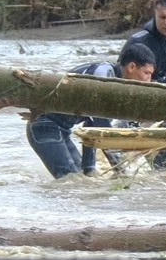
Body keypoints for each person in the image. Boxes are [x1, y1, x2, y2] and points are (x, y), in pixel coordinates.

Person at [25, 42, 156, 179]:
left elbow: (92, 129)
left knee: (82, 178)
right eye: (146, 73)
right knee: (70, 180)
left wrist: (89, 168)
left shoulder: (115, 83)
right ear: (131, 67)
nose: (149, 79)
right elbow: (102, 127)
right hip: (44, 126)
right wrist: (119, 167)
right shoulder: (103, 76)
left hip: (62, 131)